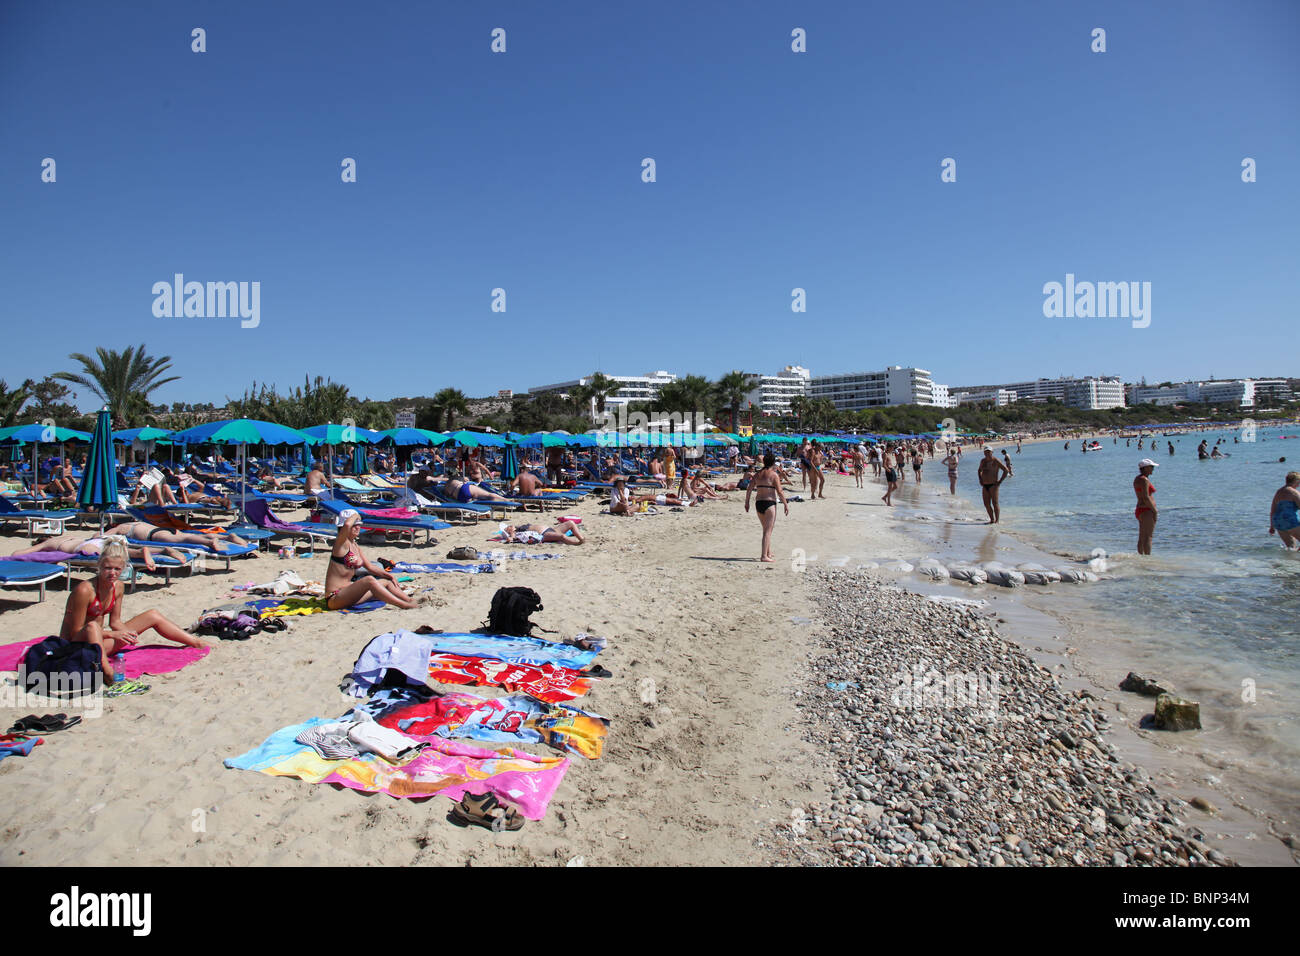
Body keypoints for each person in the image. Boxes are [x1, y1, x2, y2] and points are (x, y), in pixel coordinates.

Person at [60, 538, 207, 685]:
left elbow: (115, 622)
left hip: (99, 641)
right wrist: (113, 634)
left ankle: (197, 643)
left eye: (117, 569)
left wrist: (126, 634)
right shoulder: (85, 590)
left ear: (123, 568)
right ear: (99, 565)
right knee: (93, 626)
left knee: (152, 615)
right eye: (107, 568)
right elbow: (75, 632)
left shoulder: (118, 587)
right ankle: (107, 673)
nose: (112, 573)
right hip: (75, 646)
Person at [325, 510, 419, 610]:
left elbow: (370, 567)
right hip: (335, 598)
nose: (358, 527)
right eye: (355, 525)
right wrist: (356, 515)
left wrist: (389, 576)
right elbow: (347, 524)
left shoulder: (355, 545)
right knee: (369, 580)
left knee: (386, 581)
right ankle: (404, 605)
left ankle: (409, 600)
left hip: (349, 594)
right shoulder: (340, 544)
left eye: (359, 525)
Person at [745, 452, 788, 563]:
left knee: (766, 529)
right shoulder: (774, 475)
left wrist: (747, 502)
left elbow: (749, 489)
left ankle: (768, 552)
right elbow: (780, 491)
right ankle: (764, 556)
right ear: (773, 462)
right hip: (769, 503)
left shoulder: (757, 474)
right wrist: (785, 504)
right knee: (768, 531)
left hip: (758, 503)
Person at [1268, 472, 1300, 550]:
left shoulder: (1278, 492)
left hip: (1278, 523)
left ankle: (1291, 561)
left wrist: (1272, 527)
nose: (1299, 485)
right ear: (1296, 481)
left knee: (1291, 547)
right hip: (1290, 521)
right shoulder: (1294, 492)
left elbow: (1272, 510)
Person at [977, 449, 1009, 524]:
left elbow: (1006, 470)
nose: (987, 453)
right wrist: (980, 479)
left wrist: (1000, 481)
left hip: (993, 485)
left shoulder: (996, 460)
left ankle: (997, 521)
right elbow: (979, 470)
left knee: (995, 503)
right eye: (985, 452)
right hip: (985, 485)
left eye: (989, 452)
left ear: (992, 452)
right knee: (986, 504)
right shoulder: (983, 461)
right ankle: (992, 520)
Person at [1134, 459, 1158, 555]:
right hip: (1147, 509)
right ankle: (1147, 559)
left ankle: (1141, 559)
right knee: (1148, 537)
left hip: (1140, 509)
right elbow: (1146, 497)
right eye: (1151, 467)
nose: (1153, 469)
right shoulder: (1144, 480)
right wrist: (1155, 511)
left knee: (1142, 536)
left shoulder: (1137, 479)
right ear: (1146, 468)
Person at [499, 521, 585, 545]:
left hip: (551, 529)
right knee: (562, 536)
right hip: (544, 534)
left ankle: (582, 539)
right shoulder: (515, 532)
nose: (510, 526)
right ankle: (577, 543)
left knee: (570, 523)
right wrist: (509, 538)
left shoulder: (519, 527)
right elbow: (512, 538)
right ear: (508, 531)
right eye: (508, 527)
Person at [442, 476, 515, 503]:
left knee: (479, 498)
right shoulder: (454, 479)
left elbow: (449, 497)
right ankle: (506, 500)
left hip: (460, 498)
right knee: (488, 494)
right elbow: (465, 480)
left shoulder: (445, 487)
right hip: (464, 488)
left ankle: (476, 499)